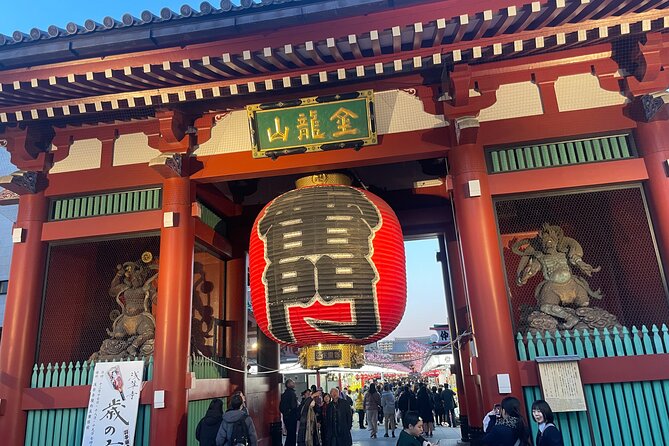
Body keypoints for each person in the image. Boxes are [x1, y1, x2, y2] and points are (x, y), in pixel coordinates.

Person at [280, 379, 299, 446]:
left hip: (286, 417)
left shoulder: (284, 394)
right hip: (291, 417)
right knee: (292, 434)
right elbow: (294, 406)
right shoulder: (291, 394)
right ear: (288, 384)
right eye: (292, 382)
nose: (294, 383)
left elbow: (281, 407)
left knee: (290, 434)